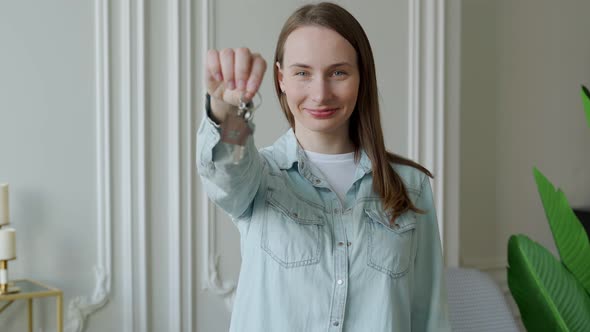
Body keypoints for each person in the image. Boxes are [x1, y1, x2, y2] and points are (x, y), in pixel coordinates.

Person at [198, 2, 451, 331]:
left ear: (361, 77)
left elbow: (429, 317)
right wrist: (226, 110)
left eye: (338, 72)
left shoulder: (412, 186)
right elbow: (225, 172)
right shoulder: (259, 177)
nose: (320, 93)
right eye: (302, 73)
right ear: (281, 78)